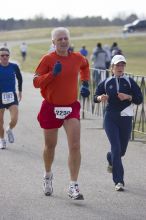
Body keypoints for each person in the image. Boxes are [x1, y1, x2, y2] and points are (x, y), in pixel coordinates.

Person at [33, 27, 90, 199]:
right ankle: (48, 175)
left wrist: (85, 83)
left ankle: (73, 185)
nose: (64, 41)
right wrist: (52, 74)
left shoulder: (77, 57)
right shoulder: (47, 59)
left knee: (75, 145)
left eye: (66, 38)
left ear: (69, 40)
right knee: (50, 146)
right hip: (51, 107)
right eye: (60, 39)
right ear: (53, 42)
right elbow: (36, 82)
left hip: (71, 107)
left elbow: (85, 66)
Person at [94, 55, 143, 191]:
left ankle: (110, 158)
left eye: (122, 65)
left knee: (120, 151)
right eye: (117, 65)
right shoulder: (106, 82)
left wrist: (128, 97)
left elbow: (139, 99)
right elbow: (95, 97)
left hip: (126, 117)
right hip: (110, 117)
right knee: (116, 147)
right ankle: (119, 181)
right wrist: (100, 97)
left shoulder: (129, 81)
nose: (120, 68)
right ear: (112, 68)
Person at [0, 47, 23, 149]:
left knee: (15, 118)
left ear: (9, 56)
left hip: (11, 95)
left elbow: (20, 78)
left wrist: (20, 91)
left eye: (6, 55)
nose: (4, 57)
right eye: (2, 55)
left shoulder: (14, 66)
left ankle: (9, 129)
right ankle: (2, 140)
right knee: (0, 122)